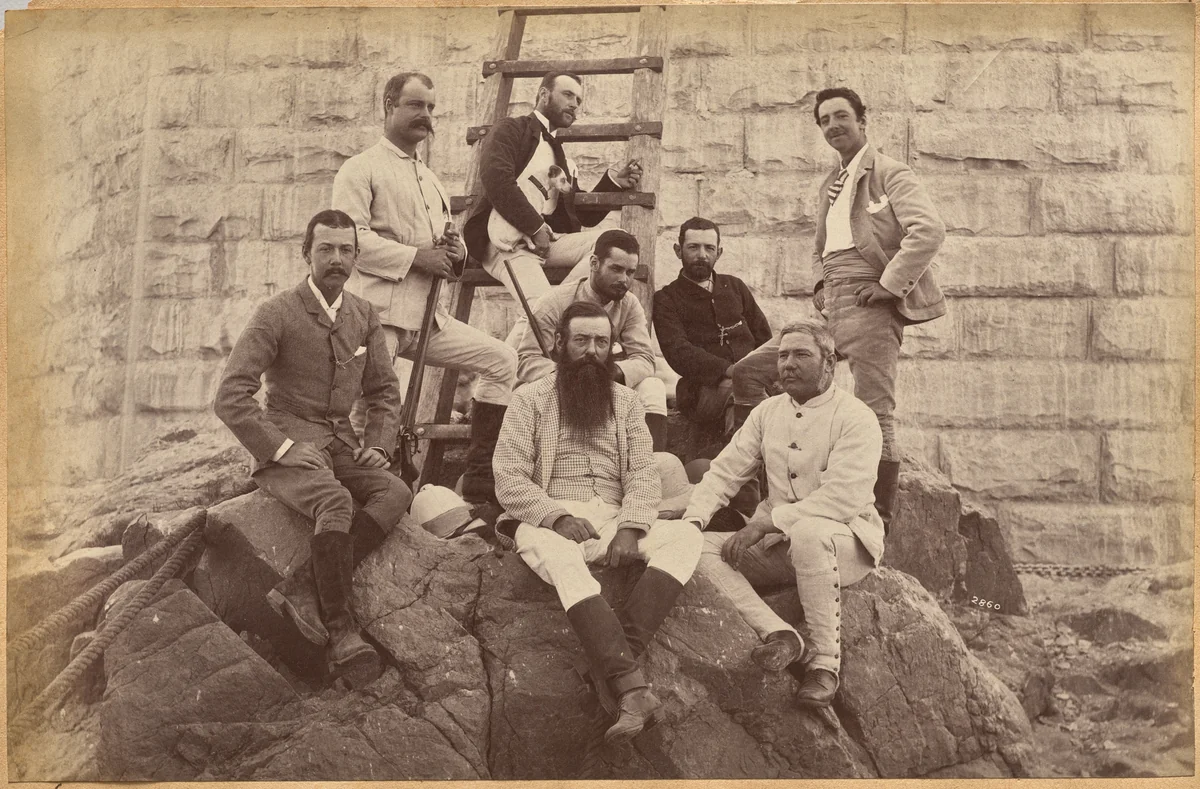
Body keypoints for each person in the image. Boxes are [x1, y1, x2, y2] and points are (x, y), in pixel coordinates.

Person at [729, 88, 946, 532]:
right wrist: (818, 285)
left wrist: (888, 286)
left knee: (874, 410)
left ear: (863, 120)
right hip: (831, 307)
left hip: (870, 304)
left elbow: (928, 230)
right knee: (750, 372)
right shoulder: (829, 184)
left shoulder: (890, 172)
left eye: (841, 116)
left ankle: (876, 519)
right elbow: (819, 246)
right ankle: (756, 494)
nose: (833, 126)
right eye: (824, 119)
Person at [215, 209, 412, 689]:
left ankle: (303, 585)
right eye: (326, 249)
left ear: (357, 257)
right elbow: (230, 395)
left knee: (395, 492)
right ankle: (343, 632)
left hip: (342, 443)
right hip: (289, 445)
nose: (336, 259)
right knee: (334, 500)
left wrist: (379, 447)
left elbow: (384, 392)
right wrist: (281, 448)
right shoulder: (276, 313)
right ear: (306, 254)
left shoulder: (363, 315)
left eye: (346, 250)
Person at [492, 302, 704, 745]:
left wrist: (631, 527)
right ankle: (629, 683)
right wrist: (558, 516)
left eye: (601, 342)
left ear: (613, 349)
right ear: (559, 345)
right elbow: (508, 477)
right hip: (549, 517)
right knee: (554, 552)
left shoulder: (626, 403)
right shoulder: (528, 399)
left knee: (685, 536)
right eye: (581, 341)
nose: (592, 351)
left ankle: (610, 670)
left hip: (612, 519)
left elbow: (644, 473)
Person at [333, 72, 518, 510]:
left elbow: (446, 246)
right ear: (389, 105)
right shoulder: (360, 168)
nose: (426, 116)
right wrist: (417, 257)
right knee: (377, 409)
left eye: (432, 108)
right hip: (379, 320)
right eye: (416, 106)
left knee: (502, 361)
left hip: (429, 318)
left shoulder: (430, 179)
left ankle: (479, 482)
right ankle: (365, 500)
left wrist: (457, 251)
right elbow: (347, 242)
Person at [682, 320, 884, 709]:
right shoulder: (768, 412)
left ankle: (825, 665)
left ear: (830, 362)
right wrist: (693, 521)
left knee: (809, 533)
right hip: (779, 547)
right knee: (696, 550)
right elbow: (725, 471)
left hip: (846, 544)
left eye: (801, 355)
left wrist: (765, 523)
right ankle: (781, 634)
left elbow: (843, 498)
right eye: (783, 355)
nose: (788, 364)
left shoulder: (857, 417)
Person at [464, 71, 644, 305]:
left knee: (614, 241)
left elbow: (580, 216)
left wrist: (614, 182)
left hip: (546, 242)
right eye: (568, 95)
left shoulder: (561, 158)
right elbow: (497, 179)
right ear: (544, 94)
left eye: (578, 100)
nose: (574, 104)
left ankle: (565, 305)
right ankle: (558, 310)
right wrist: (536, 227)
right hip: (505, 240)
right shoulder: (511, 129)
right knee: (540, 310)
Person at [508, 228, 668, 451]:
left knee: (653, 386)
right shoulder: (553, 302)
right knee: (521, 395)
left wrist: (614, 373)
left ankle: (652, 464)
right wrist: (566, 373)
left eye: (630, 272)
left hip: (604, 382)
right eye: (616, 269)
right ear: (594, 263)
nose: (624, 279)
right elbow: (526, 360)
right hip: (559, 385)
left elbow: (644, 359)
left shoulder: (629, 304)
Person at [654, 217, 773, 431]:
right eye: (693, 247)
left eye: (709, 248)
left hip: (752, 379)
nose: (702, 255)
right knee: (740, 391)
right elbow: (678, 352)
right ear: (677, 251)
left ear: (719, 253)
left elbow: (763, 337)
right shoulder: (666, 298)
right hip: (701, 390)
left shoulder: (735, 287)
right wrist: (730, 370)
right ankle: (743, 459)